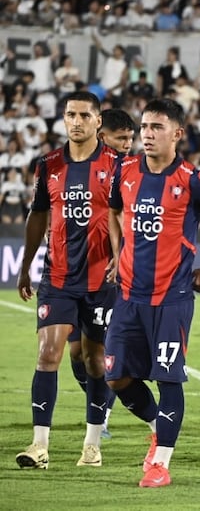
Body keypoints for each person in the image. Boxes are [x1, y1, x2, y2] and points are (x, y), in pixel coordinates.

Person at [105, 98, 200, 488]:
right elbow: (116, 211)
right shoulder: (125, 171)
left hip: (171, 299)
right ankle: (156, 425)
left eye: (157, 127)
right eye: (145, 127)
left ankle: (161, 463)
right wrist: (118, 254)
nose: (147, 134)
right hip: (129, 296)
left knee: (168, 378)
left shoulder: (192, 179)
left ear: (177, 134)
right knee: (115, 375)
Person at [16, 91, 119, 470]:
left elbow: (124, 219)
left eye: (83, 115)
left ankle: (92, 445)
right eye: (69, 115)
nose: (76, 121)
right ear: (63, 119)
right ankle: (39, 444)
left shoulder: (117, 165)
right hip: (57, 276)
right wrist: (26, 265)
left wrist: (123, 259)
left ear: (97, 121)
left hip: (102, 280)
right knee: (48, 354)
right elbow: (38, 215)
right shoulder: (49, 165)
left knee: (94, 361)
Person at [66, 108, 139, 440]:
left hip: (110, 273)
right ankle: (100, 404)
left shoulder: (134, 171)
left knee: (100, 351)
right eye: (121, 138)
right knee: (76, 352)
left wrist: (121, 255)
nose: (128, 144)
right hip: (75, 271)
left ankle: (102, 415)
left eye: (130, 138)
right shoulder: (76, 167)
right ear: (102, 135)